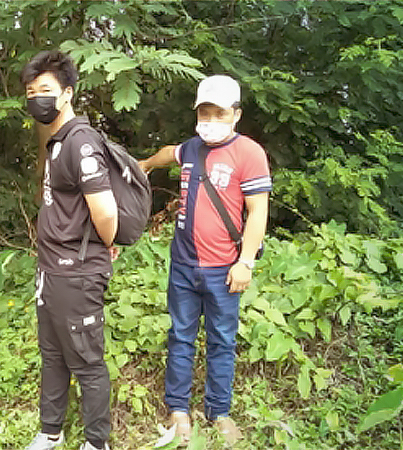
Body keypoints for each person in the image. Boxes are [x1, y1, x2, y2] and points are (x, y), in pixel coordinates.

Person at [138, 75, 271, 446]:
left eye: (219, 113)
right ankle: (178, 410)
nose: (211, 120)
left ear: (236, 115)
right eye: (204, 113)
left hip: (224, 269)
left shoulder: (249, 153)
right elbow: (169, 152)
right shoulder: (192, 149)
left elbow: (258, 211)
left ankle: (219, 411)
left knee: (222, 341)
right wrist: (145, 164)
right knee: (181, 336)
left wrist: (246, 262)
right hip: (183, 265)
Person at [21, 50, 119, 450]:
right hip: (52, 271)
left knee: (87, 361)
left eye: (45, 89)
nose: (37, 98)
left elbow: (106, 211)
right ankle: (51, 431)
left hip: (76, 272)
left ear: (67, 94)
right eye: (31, 92)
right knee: (53, 355)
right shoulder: (57, 141)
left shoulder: (81, 142)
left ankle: (97, 442)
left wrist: (106, 245)